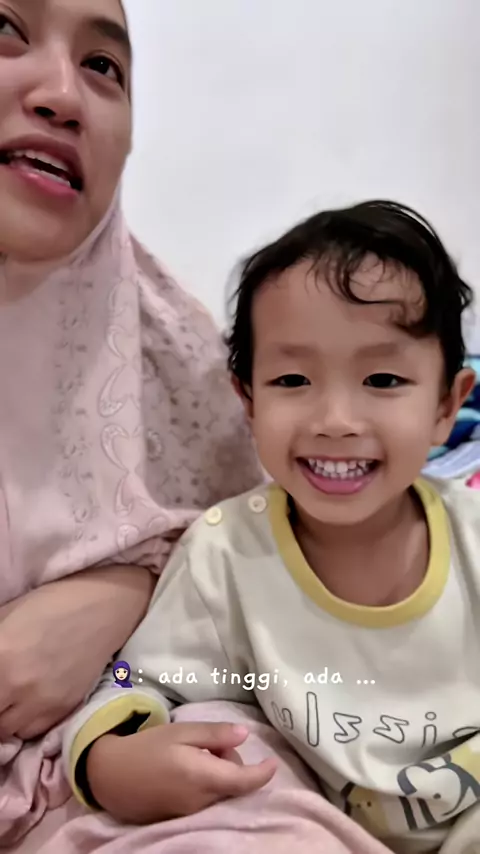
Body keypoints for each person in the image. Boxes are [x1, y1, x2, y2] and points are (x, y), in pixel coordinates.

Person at [64, 200, 480, 854]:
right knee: (217, 727)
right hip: (304, 826)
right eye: (292, 379)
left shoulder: (472, 535)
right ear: (248, 401)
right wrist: (108, 760)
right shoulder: (224, 553)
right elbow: (130, 681)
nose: (335, 419)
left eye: (382, 379)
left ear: (445, 407)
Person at [0, 0, 265, 841]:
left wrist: (130, 591)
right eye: (4, 30)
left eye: (103, 67)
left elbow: (272, 552)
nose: (62, 95)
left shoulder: (174, 350)